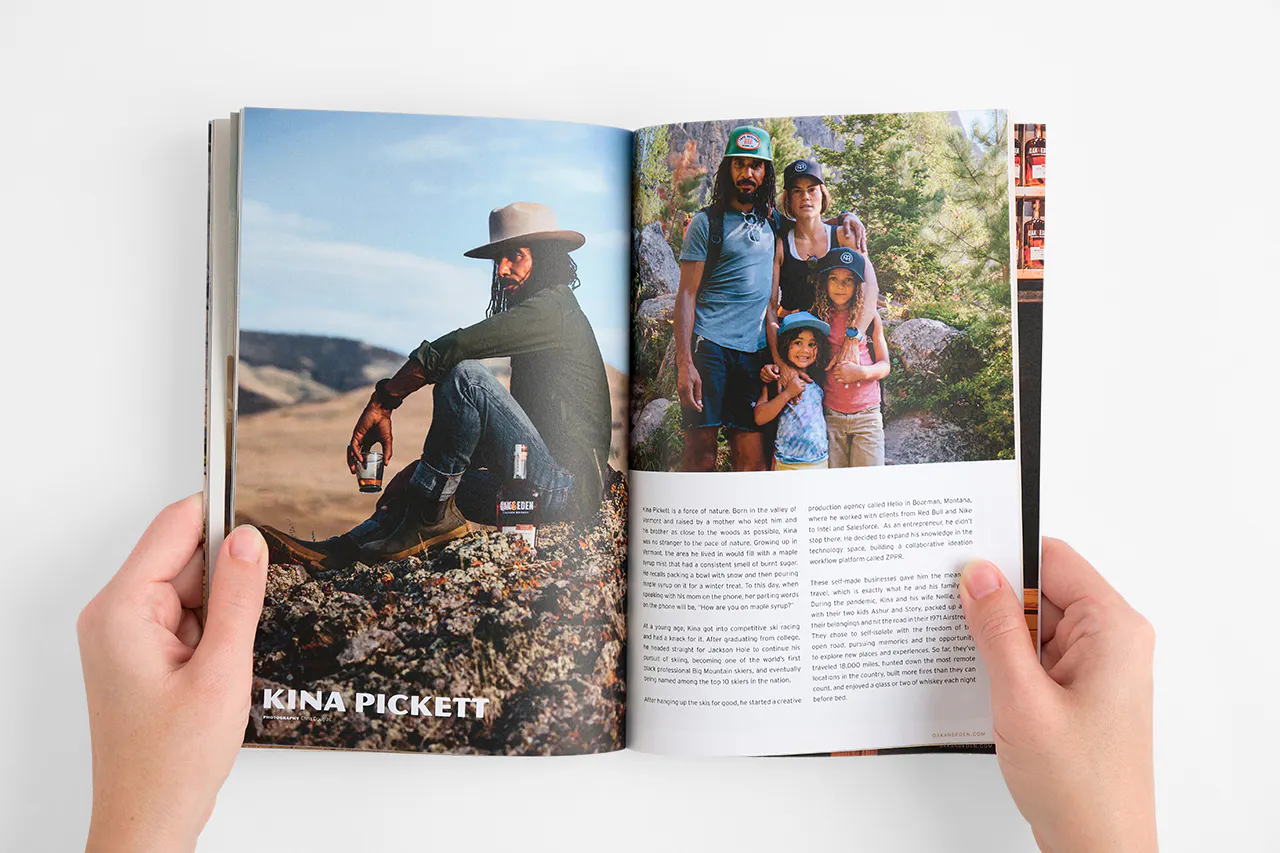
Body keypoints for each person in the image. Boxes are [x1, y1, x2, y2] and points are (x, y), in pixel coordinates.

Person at [79, 501, 1158, 852]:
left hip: (544, 489)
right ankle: (378, 538)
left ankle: (376, 545)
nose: (505, 272)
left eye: (513, 260)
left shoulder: (535, 314)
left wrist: (137, 813)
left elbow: (466, 342)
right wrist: (1105, 823)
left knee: (455, 378)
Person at [261, 201, 613, 568]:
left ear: (545, 258)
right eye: (498, 259)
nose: (502, 269)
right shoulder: (539, 314)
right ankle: (342, 552)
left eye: (515, 257)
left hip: (568, 491)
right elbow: (514, 438)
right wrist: (423, 470)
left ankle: (429, 521)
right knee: (426, 486)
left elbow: (456, 347)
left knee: (466, 378)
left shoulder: (552, 311)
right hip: (534, 478)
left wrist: (384, 401)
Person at [674, 127, 866, 473]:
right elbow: (686, 294)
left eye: (756, 166)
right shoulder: (707, 223)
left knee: (752, 462)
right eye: (740, 165)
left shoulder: (771, 222)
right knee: (701, 454)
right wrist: (684, 362)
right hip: (710, 349)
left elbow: (807, 218)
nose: (748, 173)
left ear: (766, 173)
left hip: (753, 356)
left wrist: (845, 218)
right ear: (728, 169)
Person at [809, 249, 890, 467]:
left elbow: (885, 366)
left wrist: (861, 373)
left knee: (868, 484)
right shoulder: (817, 318)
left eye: (848, 280)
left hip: (868, 416)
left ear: (857, 286)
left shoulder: (870, 318)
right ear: (824, 282)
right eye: (833, 279)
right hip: (831, 416)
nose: (840, 286)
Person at [753, 312, 831, 470]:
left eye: (811, 344)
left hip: (819, 461)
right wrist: (787, 393)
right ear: (785, 344)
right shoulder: (776, 378)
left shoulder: (819, 378)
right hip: (787, 463)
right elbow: (760, 417)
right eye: (798, 342)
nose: (805, 350)